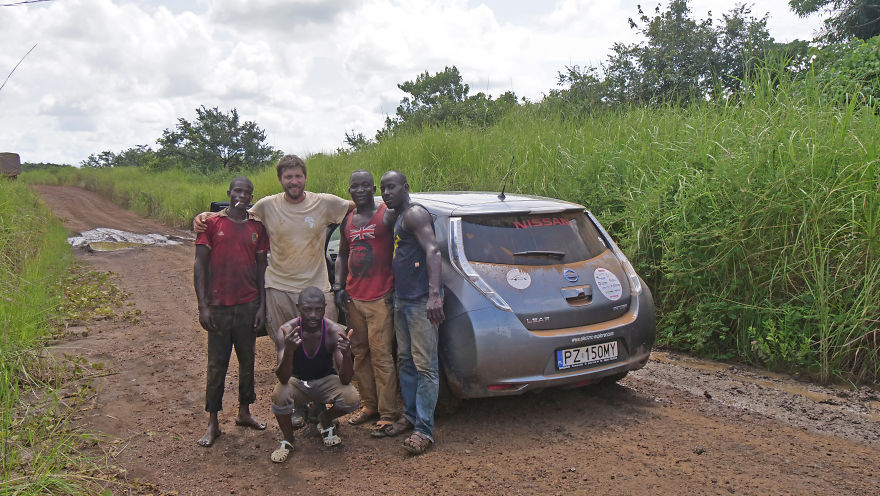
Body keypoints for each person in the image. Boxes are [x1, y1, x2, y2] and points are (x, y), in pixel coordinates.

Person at [194, 155, 353, 427]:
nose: (294, 181)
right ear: (280, 180)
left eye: (298, 176)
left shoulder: (324, 202)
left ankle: (322, 409)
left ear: (305, 177)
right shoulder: (267, 206)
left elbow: (356, 206)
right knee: (289, 350)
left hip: (316, 291)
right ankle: (299, 407)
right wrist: (205, 217)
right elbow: (237, 214)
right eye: (288, 177)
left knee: (326, 350)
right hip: (278, 289)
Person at [193, 176, 268, 447]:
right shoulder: (212, 224)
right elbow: (200, 265)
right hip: (219, 307)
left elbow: (262, 269)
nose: (242, 195)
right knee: (217, 365)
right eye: (238, 190)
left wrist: (262, 305)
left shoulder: (256, 227)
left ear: (252, 197)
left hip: (248, 306)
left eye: (248, 192)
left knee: (248, 362)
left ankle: (244, 412)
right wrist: (203, 305)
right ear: (229, 193)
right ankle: (212, 422)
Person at [378, 170, 445, 455]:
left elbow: (433, 251)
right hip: (402, 299)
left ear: (406, 187)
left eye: (392, 187)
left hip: (421, 302)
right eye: (382, 188)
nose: (386, 192)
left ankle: (424, 430)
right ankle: (410, 415)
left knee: (425, 366)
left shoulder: (415, 214)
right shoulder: (399, 215)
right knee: (404, 360)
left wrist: (433, 295)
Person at [333, 170, 403, 436]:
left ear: (374, 188)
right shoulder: (348, 219)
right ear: (349, 190)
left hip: (380, 298)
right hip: (353, 298)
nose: (360, 190)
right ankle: (369, 405)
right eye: (355, 186)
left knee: (382, 356)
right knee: (360, 354)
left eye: (365, 185)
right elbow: (342, 255)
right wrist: (339, 287)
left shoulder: (386, 214)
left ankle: (388, 412)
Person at [269, 286, 359, 463]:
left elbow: (346, 379)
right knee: (279, 395)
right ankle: (288, 439)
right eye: (307, 309)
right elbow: (283, 377)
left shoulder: (334, 331)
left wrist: (348, 355)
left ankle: (324, 419)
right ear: (298, 308)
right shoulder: (287, 332)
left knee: (351, 398)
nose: (313, 315)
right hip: (296, 381)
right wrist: (289, 351)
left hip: (325, 380)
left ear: (325, 308)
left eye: (318, 309)